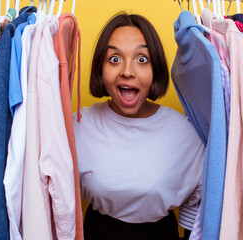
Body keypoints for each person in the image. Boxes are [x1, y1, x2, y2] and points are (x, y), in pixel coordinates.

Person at [73, 12, 205, 240]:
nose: (127, 71)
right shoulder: (78, 125)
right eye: (114, 59)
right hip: (97, 232)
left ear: (156, 70)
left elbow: (200, 203)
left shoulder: (187, 132)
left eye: (142, 59)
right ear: (100, 68)